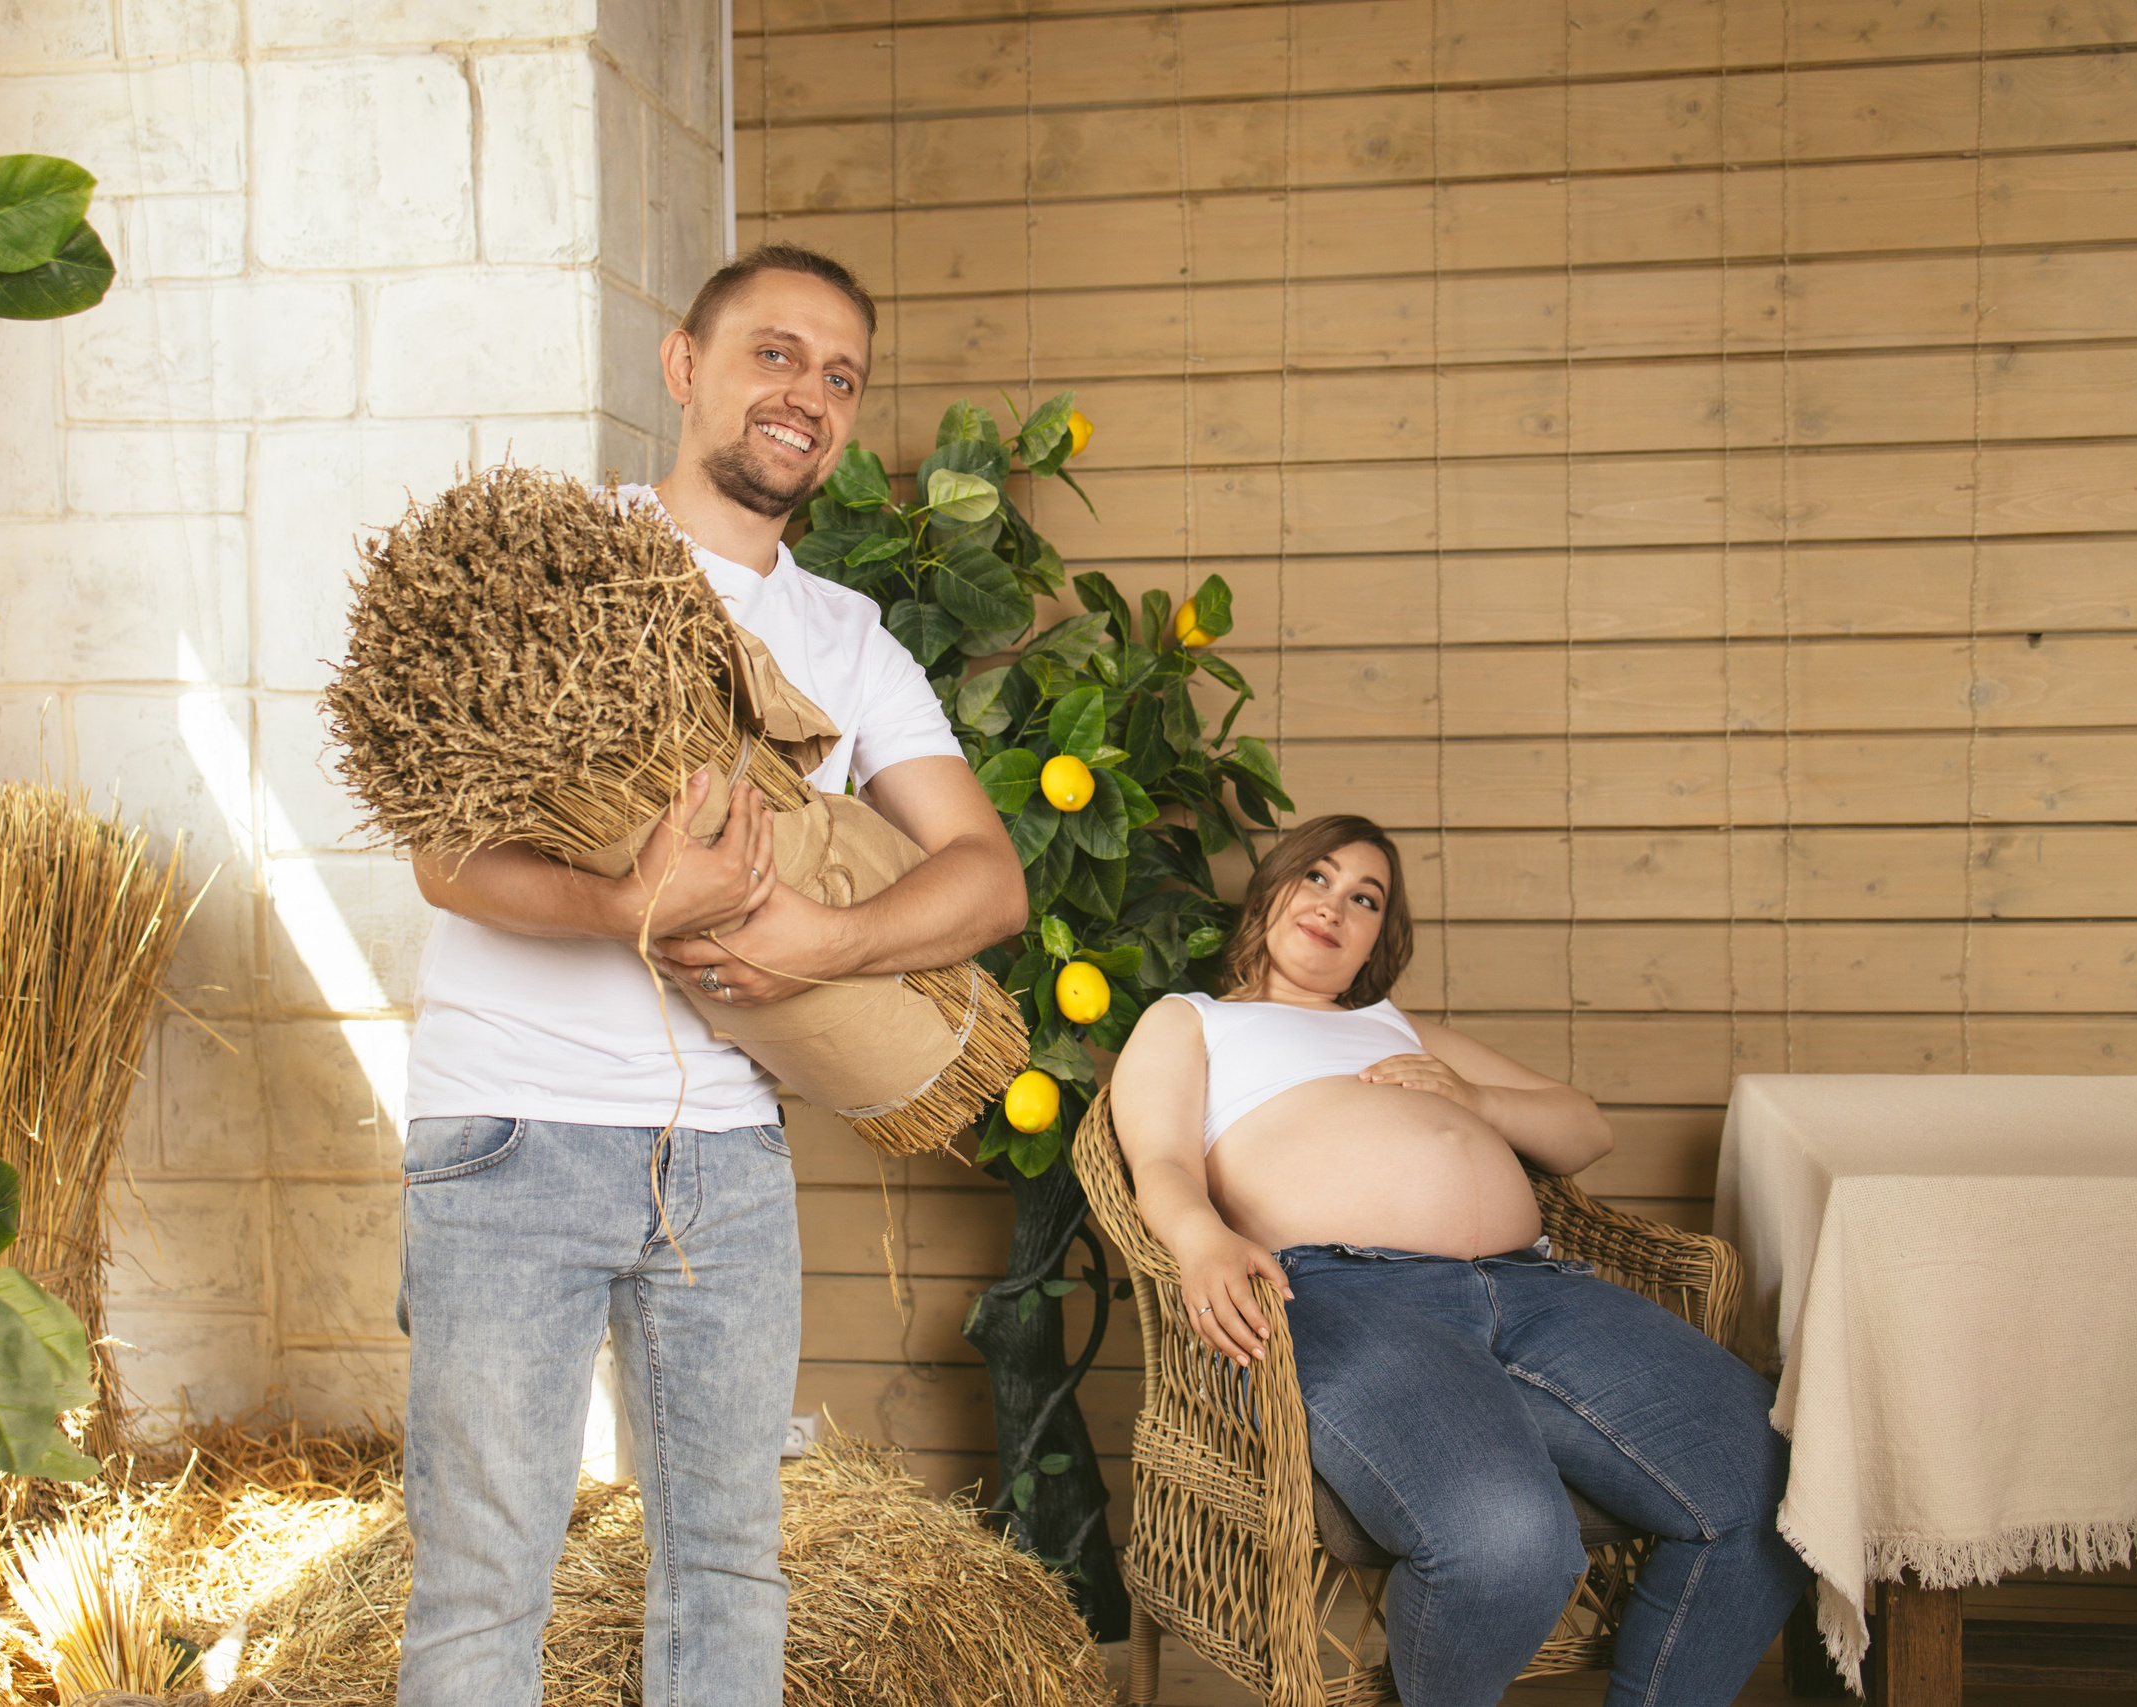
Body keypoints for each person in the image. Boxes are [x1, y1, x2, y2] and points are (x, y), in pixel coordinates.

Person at [392, 245, 1028, 1707]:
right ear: (685, 365)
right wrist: (630, 902)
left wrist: (832, 939)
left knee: (729, 1564)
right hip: (507, 1132)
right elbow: (443, 859)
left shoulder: (846, 640)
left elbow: (985, 876)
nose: (808, 392)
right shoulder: (553, 563)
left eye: (842, 376)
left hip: (726, 1161)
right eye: (776, 352)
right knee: (486, 1576)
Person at [1111, 814, 1808, 1707]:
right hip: (1346, 1297)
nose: (1334, 905)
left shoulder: (1397, 1028)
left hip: (1539, 1294)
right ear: (1272, 890)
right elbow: (1161, 1163)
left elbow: (1584, 1127)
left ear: (1376, 941)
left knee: (1776, 1485)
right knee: (1508, 1546)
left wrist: (1471, 1095)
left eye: (1365, 898)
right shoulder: (1194, 1022)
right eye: (1316, 878)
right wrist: (1201, 1237)